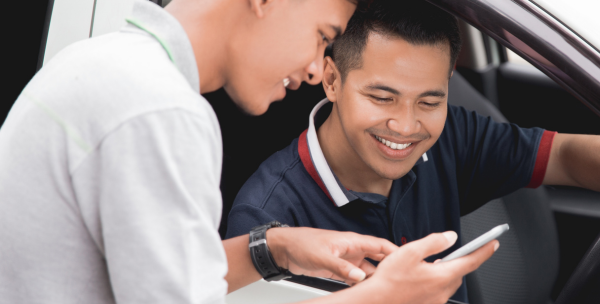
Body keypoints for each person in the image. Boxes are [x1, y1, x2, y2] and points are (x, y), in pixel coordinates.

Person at [0, 0, 496, 303]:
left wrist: (274, 249)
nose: (312, 70)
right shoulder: (157, 110)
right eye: (322, 36)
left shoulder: (107, 66)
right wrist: (380, 299)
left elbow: (167, 276)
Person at [225, 0, 600, 302]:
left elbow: (564, 155)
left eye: (429, 100)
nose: (405, 125)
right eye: (381, 97)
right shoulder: (268, 216)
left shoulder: (451, 138)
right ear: (332, 80)